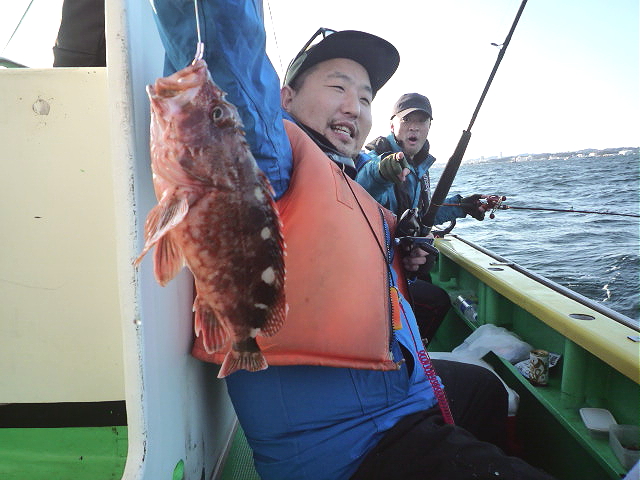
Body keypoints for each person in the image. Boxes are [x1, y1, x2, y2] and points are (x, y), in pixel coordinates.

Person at [150, 4, 556, 480]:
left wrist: (400, 255)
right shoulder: (271, 160)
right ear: (284, 98)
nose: (354, 107)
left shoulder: (345, 178)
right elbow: (229, 58)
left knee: (482, 390)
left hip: (397, 397)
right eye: (337, 87)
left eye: (365, 97)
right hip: (352, 450)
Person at [356, 93, 490, 342]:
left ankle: (407, 349)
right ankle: (407, 354)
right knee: (437, 301)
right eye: (407, 120)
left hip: (400, 262)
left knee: (427, 280)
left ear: (429, 127)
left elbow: (424, 213)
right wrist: (384, 171)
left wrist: (463, 206)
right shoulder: (377, 158)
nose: (414, 127)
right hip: (373, 270)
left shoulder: (419, 167)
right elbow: (364, 185)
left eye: (421, 121)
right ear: (392, 126)